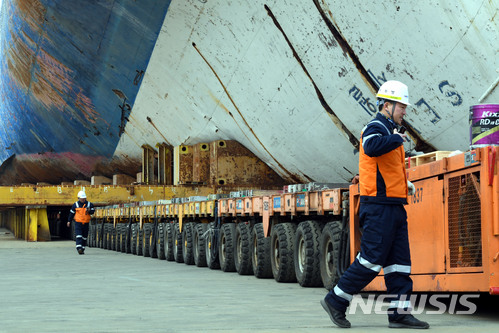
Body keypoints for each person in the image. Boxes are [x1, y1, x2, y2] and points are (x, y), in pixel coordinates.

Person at [321, 80, 429, 329]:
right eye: (402, 106)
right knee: (371, 260)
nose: (405, 111)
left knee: (399, 263)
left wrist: (404, 184)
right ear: (387, 105)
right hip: (378, 208)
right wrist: (395, 139)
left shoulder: (390, 128)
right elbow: (370, 147)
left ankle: (399, 313)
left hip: (393, 205)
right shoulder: (377, 126)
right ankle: (335, 301)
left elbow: (386, 168)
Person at [67, 191, 95, 255]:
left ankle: (82, 248)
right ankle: (79, 248)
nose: (83, 199)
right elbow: (71, 213)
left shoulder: (89, 204)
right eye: (81, 198)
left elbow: (93, 211)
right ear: (78, 198)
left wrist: (89, 210)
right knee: (79, 235)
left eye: (84, 198)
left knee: (84, 237)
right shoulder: (75, 205)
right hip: (78, 223)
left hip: (86, 223)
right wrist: (69, 221)